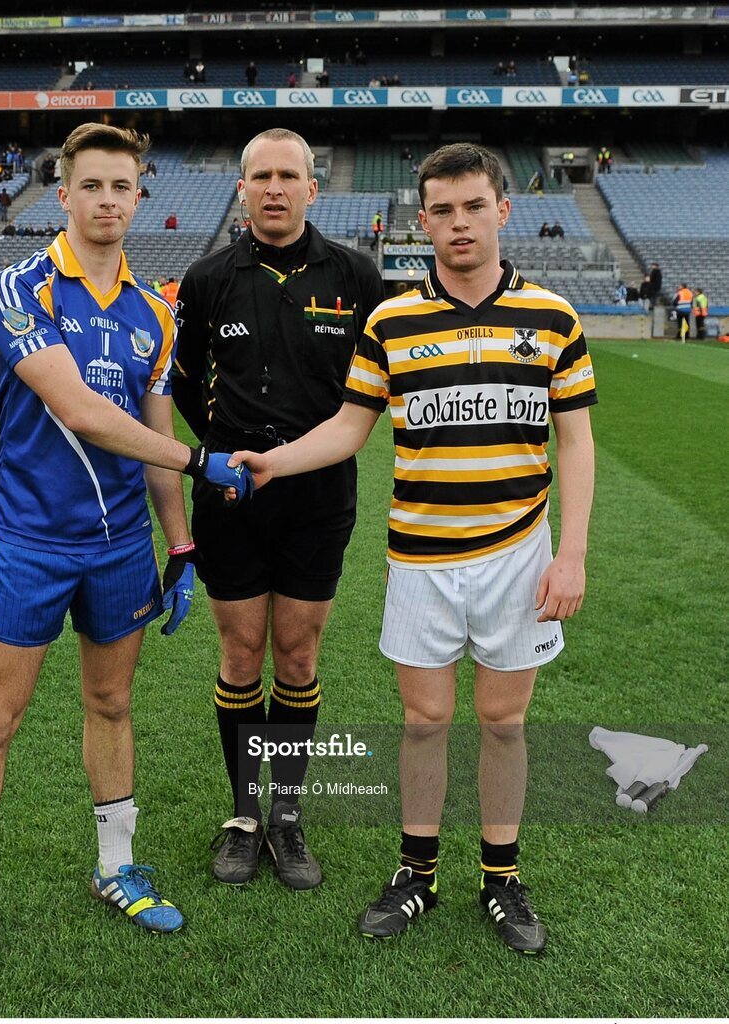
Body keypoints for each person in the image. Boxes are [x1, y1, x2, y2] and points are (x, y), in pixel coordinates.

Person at [231, 143, 596, 954]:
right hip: (422, 558)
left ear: (502, 210)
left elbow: (575, 441)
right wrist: (274, 460)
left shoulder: (553, 318)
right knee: (425, 718)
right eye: (442, 210)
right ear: (421, 219)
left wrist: (570, 553)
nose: (458, 224)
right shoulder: (391, 322)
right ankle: (417, 874)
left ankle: (501, 879)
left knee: (503, 721)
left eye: (474, 207)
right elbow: (348, 427)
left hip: (518, 555)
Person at [0, 123, 252, 984]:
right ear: (62, 195)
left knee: (111, 707)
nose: (109, 200)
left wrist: (179, 541)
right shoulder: (20, 288)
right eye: (93, 185)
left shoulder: (155, 313)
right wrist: (200, 462)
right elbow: (77, 410)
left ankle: (117, 869)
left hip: (119, 549)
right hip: (31, 542)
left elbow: (153, 430)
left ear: (140, 199)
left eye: (124, 187)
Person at [172, 128, 384, 891]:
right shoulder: (206, 278)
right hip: (230, 493)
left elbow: (375, 390)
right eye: (259, 175)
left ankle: (287, 815)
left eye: (287, 175)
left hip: (320, 495)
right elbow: (188, 380)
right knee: (239, 656)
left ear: (311, 188)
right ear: (241, 187)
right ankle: (243, 814)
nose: (273, 188)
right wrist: (219, 454)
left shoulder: (358, 276)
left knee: (296, 656)